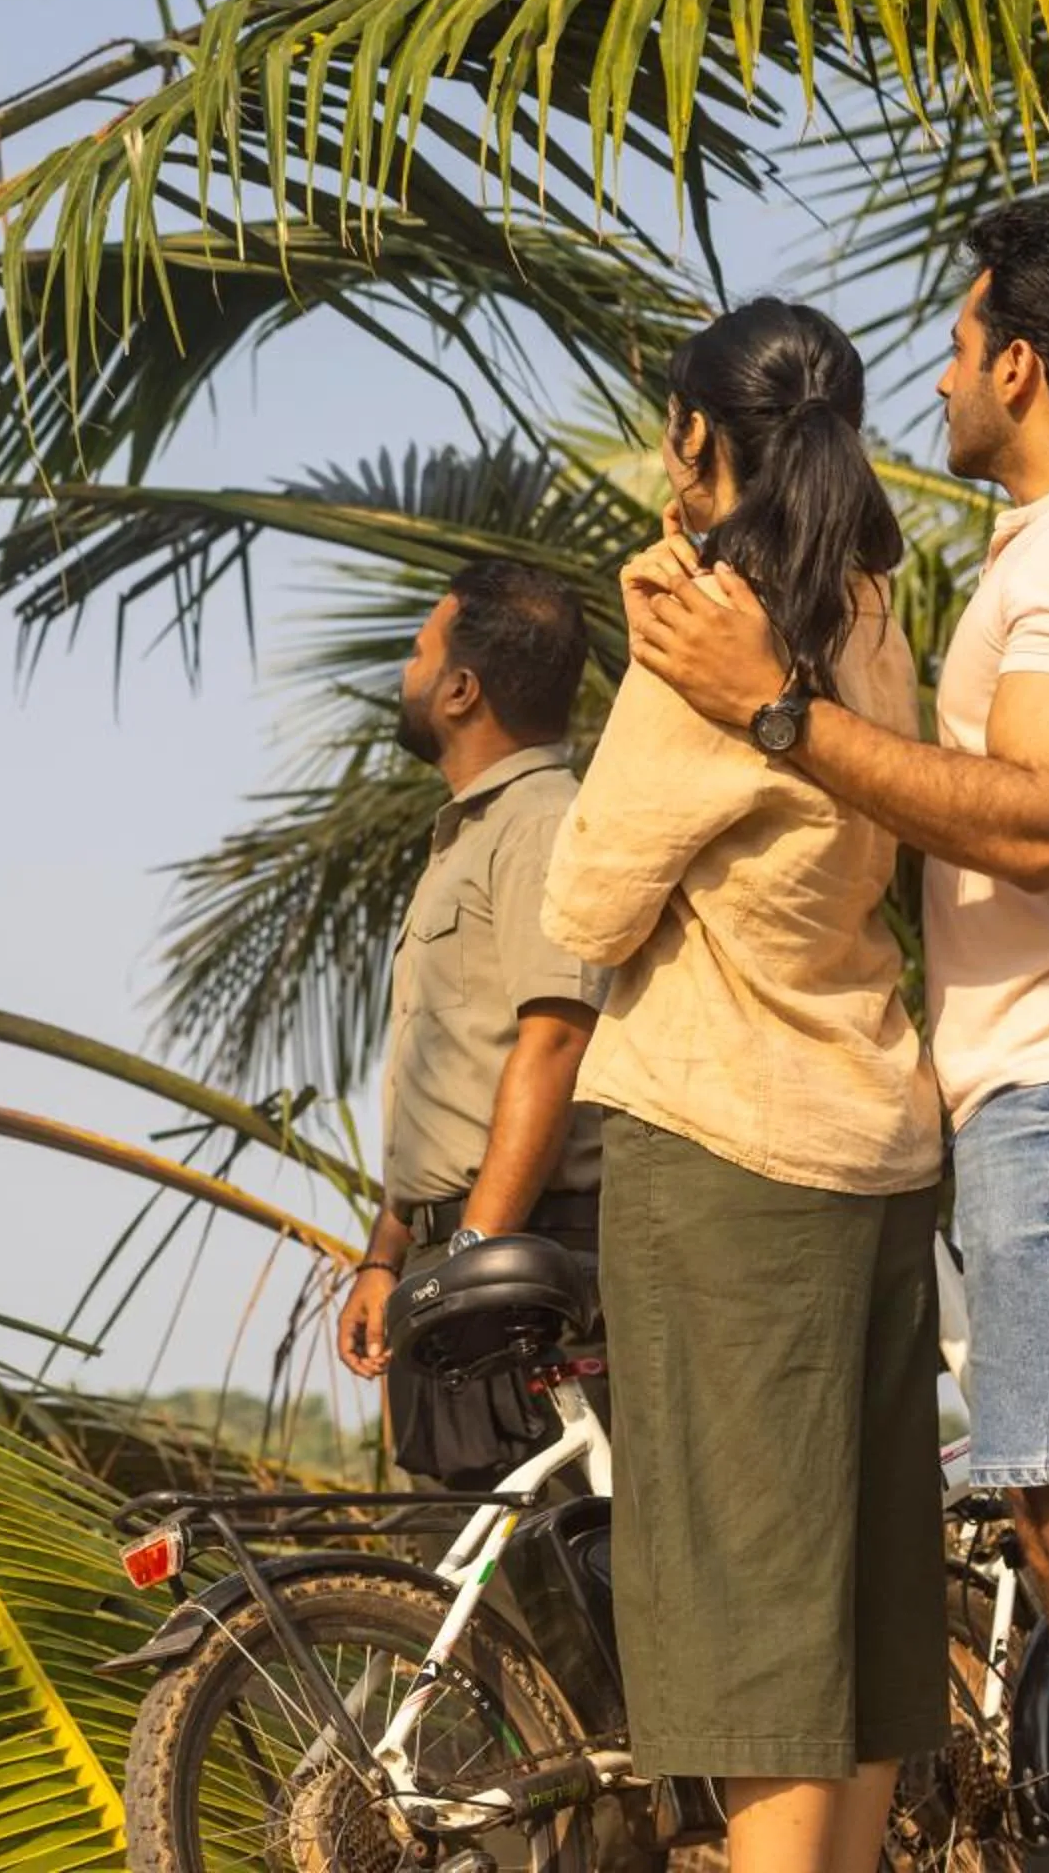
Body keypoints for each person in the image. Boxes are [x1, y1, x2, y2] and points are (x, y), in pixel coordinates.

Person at [623, 204, 1049, 1873]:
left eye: (965, 345)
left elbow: (1039, 817)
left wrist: (778, 711)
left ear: (1024, 366)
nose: (944, 376)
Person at [542, 300, 947, 1873]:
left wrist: (668, 585)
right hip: (877, 1149)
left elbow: (584, 903)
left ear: (700, 437)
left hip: (730, 1160)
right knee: (854, 1644)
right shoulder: (866, 616)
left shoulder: (711, 638)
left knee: (762, 1655)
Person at [336, 561, 610, 1488]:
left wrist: (473, 1263)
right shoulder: (468, 835)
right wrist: (388, 1254)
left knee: (570, 1593)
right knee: (479, 1593)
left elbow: (555, 1040)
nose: (406, 673)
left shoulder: (542, 823)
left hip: (522, 1256)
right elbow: (442, 1081)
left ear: (461, 689)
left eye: (419, 652)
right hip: (455, 1253)